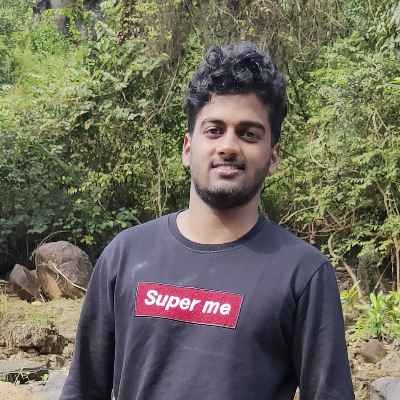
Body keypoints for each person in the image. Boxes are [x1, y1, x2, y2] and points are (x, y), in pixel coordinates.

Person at [60, 42, 355, 400]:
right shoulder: (125, 256)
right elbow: (83, 389)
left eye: (249, 133)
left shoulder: (303, 274)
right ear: (188, 148)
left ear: (273, 156)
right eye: (214, 130)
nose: (228, 146)